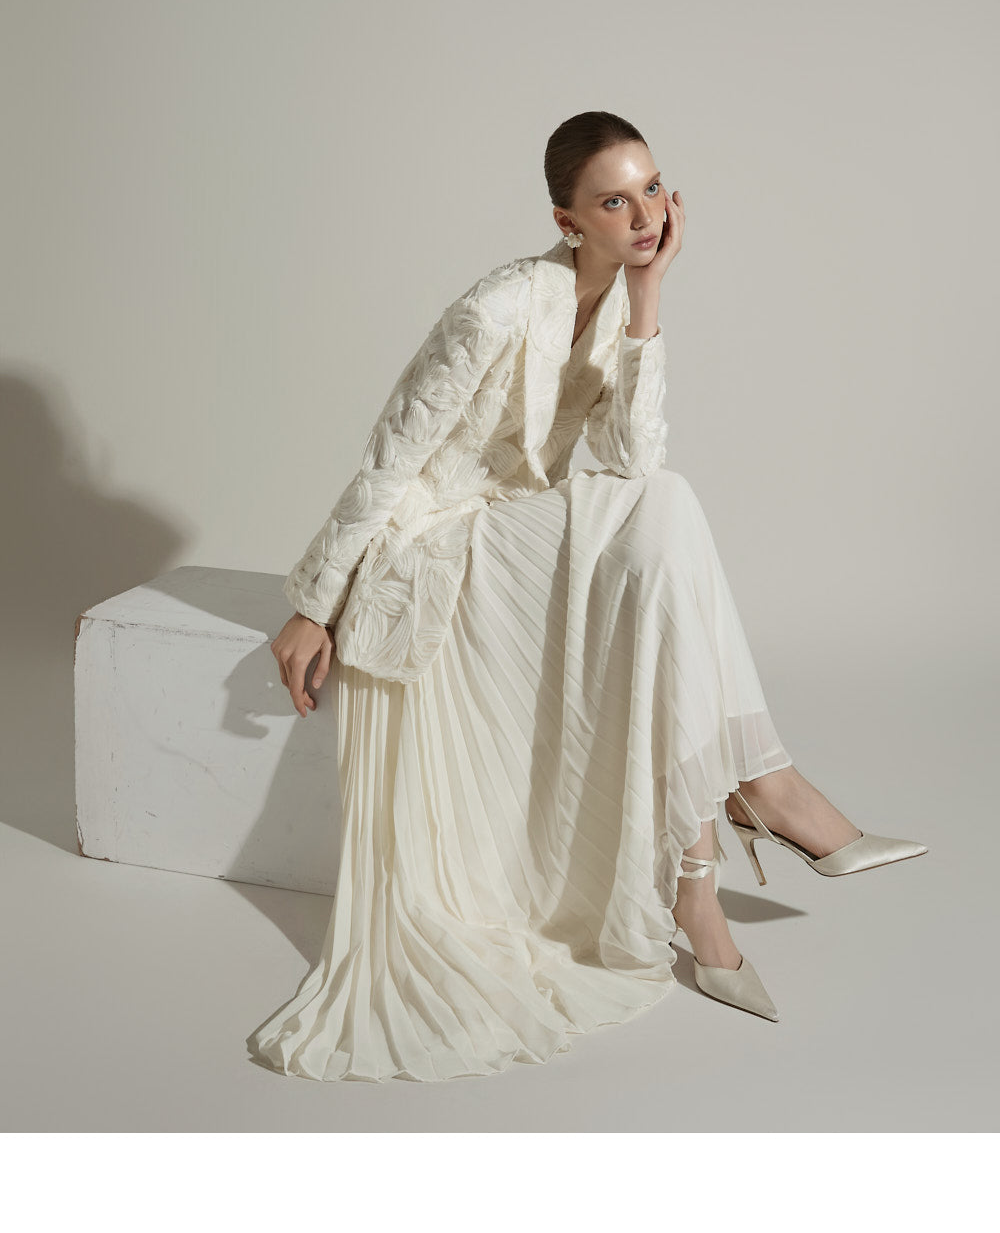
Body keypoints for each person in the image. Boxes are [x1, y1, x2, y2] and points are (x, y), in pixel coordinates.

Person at [249, 111, 927, 1082]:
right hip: (437, 543)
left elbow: (627, 459)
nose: (645, 215)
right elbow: (390, 459)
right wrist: (317, 602)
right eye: (615, 201)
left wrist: (648, 296)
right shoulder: (496, 308)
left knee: (665, 513)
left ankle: (708, 876)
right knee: (667, 512)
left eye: (652, 189)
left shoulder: (619, 297)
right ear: (567, 220)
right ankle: (756, 798)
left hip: (518, 527)